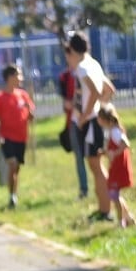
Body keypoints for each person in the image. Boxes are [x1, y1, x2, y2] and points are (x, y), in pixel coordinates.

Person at [65, 32, 113, 222]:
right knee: (95, 166)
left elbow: (95, 91)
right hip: (95, 120)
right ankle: (104, 207)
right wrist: (102, 107)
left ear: (73, 49)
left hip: (91, 123)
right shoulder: (93, 64)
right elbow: (108, 89)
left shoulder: (83, 68)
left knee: (96, 166)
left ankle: (105, 210)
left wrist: (86, 116)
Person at [0, 64, 36, 209]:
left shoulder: (23, 95)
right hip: (7, 136)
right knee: (12, 164)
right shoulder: (0, 97)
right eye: (18, 75)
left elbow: (30, 115)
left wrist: (30, 114)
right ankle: (12, 197)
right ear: (10, 77)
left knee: (17, 168)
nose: (20, 78)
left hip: (21, 137)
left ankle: (13, 193)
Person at [96, 104, 136, 228]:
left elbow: (125, 143)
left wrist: (115, 153)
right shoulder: (111, 132)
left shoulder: (115, 132)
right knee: (113, 194)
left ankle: (122, 221)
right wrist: (105, 152)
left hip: (119, 168)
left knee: (114, 194)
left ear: (104, 119)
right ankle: (128, 218)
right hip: (115, 167)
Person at [59, 63, 88, 199]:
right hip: (73, 122)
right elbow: (66, 103)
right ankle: (84, 189)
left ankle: (104, 189)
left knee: (95, 159)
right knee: (79, 157)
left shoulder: (87, 71)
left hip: (89, 120)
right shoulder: (65, 77)